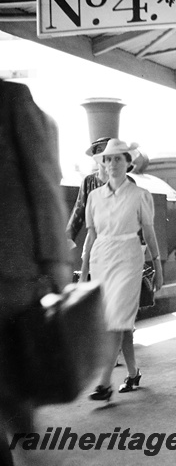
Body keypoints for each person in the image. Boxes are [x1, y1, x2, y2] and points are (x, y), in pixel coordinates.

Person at [0, 80, 71, 465]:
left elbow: (43, 180)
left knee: (11, 381)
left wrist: (56, 259)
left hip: (8, 272)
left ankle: (26, 442)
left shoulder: (11, 97)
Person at [80, 139, 164, 401]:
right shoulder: (94, 197)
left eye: (118, 158)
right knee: (118, 321)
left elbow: (148, 232)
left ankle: (104, 383)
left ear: (128, 162)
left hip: (129, 258)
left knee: (116, 319)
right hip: (101, 259)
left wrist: (157, 265)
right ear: (102, 164)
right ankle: (132, 372)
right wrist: (83, 270)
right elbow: (91, 235)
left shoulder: (140, 195)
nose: (112, 163)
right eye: (107, 159)